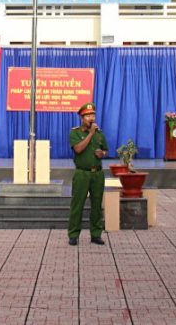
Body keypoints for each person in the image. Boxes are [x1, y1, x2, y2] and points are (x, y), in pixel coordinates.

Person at [68, 102, 108, 246]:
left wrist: (101, 154)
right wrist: (90, 134)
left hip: (97, 174)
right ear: (81, 118)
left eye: (93, 115)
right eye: (88, 116)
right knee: (77, 204)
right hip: (82, 174)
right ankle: (73, 234)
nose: (91, 118)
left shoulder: (100, 133)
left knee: (97, 205)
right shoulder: (75, 132)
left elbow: (105, 150)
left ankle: (96, 234)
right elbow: (78, 149)